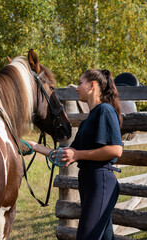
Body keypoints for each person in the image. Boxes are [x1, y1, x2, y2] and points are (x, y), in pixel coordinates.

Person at [28, 69, 123, 240]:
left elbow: (116, 150)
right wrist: (35, 146)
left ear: (92, 85)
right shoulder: (89, 119)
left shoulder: (105, 111)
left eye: (80, 83)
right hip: (90, 183)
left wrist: (78, 154)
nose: (77, 87)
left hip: (100, 181)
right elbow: (68, 154)